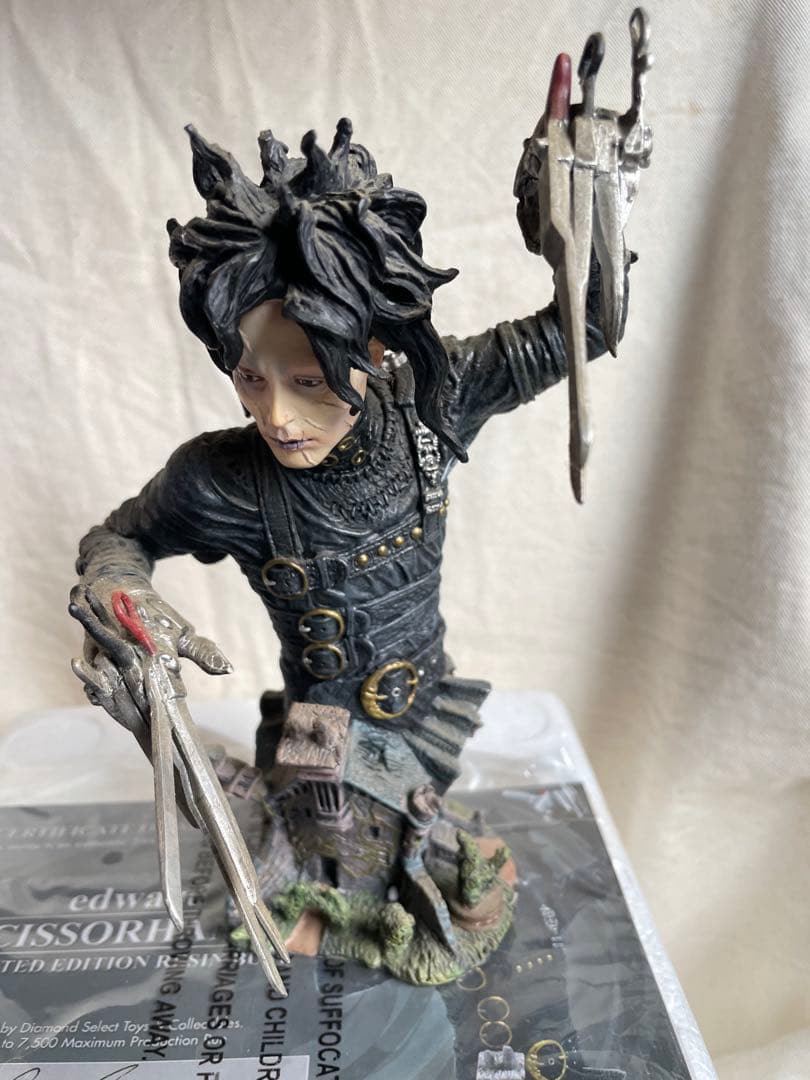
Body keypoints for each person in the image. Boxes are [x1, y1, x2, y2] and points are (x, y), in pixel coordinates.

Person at [69, 118, 620, 982]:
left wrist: (580, 208)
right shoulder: (222, 478)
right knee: (340, 855)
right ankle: (331, 892)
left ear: (374, 345)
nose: (278, 417)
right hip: (322, 739)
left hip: (423, 701)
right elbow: (118, 540)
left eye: (309, 380)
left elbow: (585, 325)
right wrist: (126, 600)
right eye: (251, 378)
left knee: (418, 845)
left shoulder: (436, 399)